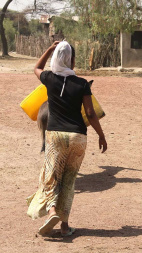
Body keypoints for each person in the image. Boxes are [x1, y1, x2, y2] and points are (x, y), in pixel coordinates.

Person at [26, 41, 107, 237]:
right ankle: (64, 226)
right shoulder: (82, 84)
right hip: (78, 137)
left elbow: (36, 68)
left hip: (55, 137)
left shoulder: (49, 78)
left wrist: (49, 50)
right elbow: (90, 113)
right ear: (71, 60)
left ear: (55, 59)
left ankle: (52, 211)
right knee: (69, 181)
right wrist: (101, 135)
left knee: (52, 177)